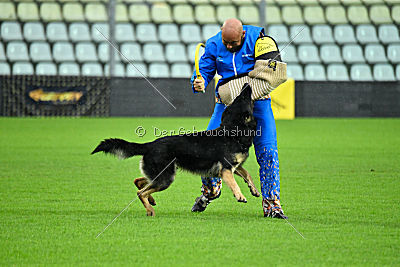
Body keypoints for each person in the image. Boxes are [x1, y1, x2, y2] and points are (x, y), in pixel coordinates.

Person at [190, 18, 287, 219]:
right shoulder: (214, 44)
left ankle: (272, 205)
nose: (228, 47)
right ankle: (210, 191)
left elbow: (272, 70)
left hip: (258, 104)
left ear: (243, 34)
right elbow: (205, 71)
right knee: (206, 148)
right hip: (226, 107)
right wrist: (199, 82)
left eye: (233, 43)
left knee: (268, 152)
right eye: (226, 42)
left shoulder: (258, 39)